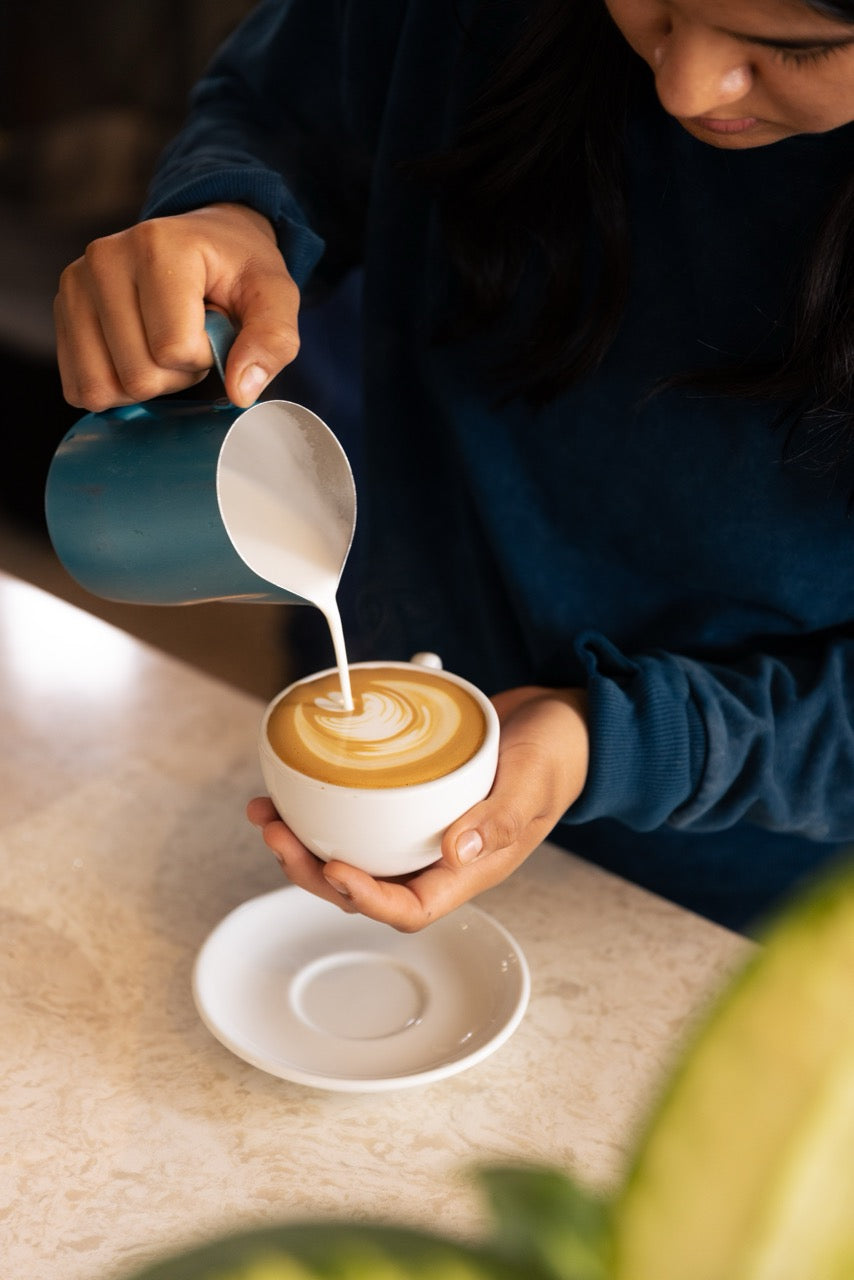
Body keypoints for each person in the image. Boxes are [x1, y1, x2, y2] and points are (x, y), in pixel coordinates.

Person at [54, 0, 854, 935]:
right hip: (386, 668)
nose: (683, 84)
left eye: (795, 47)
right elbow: (282, 108)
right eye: (654, 3)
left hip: (731, 889)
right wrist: (230, 213)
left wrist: (628, 743)